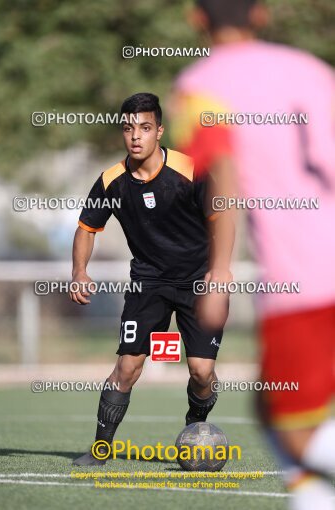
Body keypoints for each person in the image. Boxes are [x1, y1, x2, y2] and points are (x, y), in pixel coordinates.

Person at [168, 1, 335, 508]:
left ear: (196, 19)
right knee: (271, 410)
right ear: (260, 14)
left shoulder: (198, 87)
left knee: (296, 428)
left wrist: (218, 276)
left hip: (307, 281)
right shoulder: (310, 69)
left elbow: (223, 179)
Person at [70, 92, 234, 466]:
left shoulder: (191, 171)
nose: (136, 136)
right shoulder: (111, 180)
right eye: (128, 129)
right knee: (127, 367)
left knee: (202, 372)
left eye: (144, 128)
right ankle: (100, 450)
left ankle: (196, 422)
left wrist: (221, 267)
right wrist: (79, 271)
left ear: (159, 130)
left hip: (199, 281)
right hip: (148, 281)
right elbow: (86, 228)